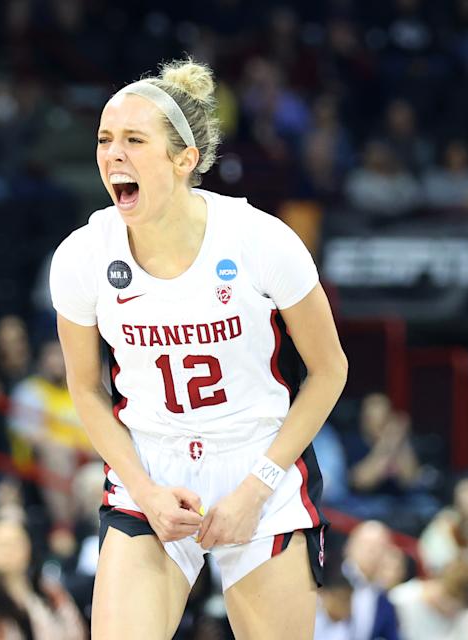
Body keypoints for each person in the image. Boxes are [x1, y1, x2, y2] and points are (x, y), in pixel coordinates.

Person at [49, 58, 348, 639]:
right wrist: (144, 490)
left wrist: (257, 486)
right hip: (153, 464)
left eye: (134, 140)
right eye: (105, 139)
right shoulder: (82, 255)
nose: (114, 154)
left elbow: (330, 369)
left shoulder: (261, 240)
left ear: (184, 159)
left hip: (258, 461)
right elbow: (85, 389)